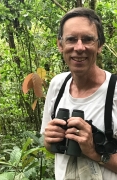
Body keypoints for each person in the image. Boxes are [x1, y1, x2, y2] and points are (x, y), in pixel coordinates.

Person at [40, 7, 117, 180]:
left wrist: (94, 151)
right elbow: (48, 143)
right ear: (60, 44)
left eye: (88, 39)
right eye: (71, 39)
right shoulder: (57, 85)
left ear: (100, 45)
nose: (79, 47)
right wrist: (49, 141)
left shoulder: (115, 91)